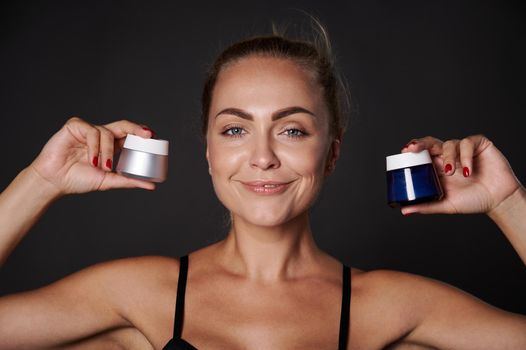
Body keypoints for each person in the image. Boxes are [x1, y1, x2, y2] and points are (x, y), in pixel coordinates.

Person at [1, 27, 525, 350]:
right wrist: (40, 182)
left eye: (292, 129)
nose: (263, 156)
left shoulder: (394, 306)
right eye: (234, 129)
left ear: (332, 153)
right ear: (209, 154)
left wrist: (507, 202)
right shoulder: (135, 295)